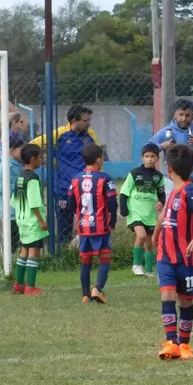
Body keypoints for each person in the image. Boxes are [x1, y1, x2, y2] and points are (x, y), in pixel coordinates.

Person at [153, 145, 193, 361]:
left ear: (168, 169)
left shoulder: (188, 191)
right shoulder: (172, 193)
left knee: (185, 300)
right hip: (165, 257)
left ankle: (185, 344)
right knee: (167, 294)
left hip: (185, 258)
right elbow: (163, 217)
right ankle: (171, 343)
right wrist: (155, 235)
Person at [29, 105, 99, 244]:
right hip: (63, 186)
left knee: (88, 220)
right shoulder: (60, 134)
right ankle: (62, 250)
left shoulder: (90, 135)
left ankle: (86, 248)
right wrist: (49, 160)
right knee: (64, 222)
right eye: (85, 120)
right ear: (74, 120)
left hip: (85, 186)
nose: (89, 123)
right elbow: (34, 144)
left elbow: (98, 157)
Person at [66, 144, 117, 304]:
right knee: (105, 259)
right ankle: (97, 289)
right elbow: (112, 202)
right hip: (100, 226)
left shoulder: (75, 179)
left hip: (83, 227)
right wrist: (113, 219)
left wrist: (78, 214)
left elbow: (70, 202)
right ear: (99, 160)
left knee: (86, 261)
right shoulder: (104, 178)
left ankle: (85, 295)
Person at [147, 99, 193, 196]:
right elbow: (147, 148)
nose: (184, 118)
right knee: (172, 209)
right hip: (171, 181)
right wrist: (162, 146)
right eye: (181, 115)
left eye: (187, 115)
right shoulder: (166, 131)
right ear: (175, 114)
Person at [119, 143, 166, 276]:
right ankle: (136, 265)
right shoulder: (135, 173)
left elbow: (161, 194)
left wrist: (161, 203)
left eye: (152, 156)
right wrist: (123, 208)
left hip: (149, 213)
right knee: (141, 235)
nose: (150, 159)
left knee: (149, 242)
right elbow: (124, 192)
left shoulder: (159, 176)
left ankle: (149, 269)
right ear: (142, 158)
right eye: (147, 156)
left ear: (157, 158)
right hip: (135, 212)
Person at [11, 144, 47, 296]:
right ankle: (30, 287)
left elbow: (14, 200)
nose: (41, 160)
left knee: (24, 249)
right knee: (34, 250)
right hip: (33, 221)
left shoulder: (20, 176)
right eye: (40, 157)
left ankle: (19, 285)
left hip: (21, 219)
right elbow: (34, 202)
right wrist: (41, 220)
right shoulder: (33, 178)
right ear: (33, 159)